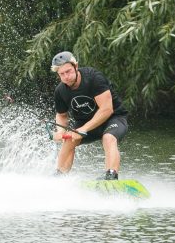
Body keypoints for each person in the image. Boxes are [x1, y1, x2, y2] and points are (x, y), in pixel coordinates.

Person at [50, 51, 129, 180]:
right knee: (69, 139)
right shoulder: (60, 90)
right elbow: (61, 115)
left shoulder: (94, 78)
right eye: (62, 74)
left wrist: (83, 129)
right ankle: (59, 178)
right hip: (85, 123)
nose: (66, 77)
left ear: (76, 66)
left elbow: (106, 109)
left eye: (68, 71)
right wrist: (61, 132)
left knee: (108, 138)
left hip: (113, 118)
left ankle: (111, 176)